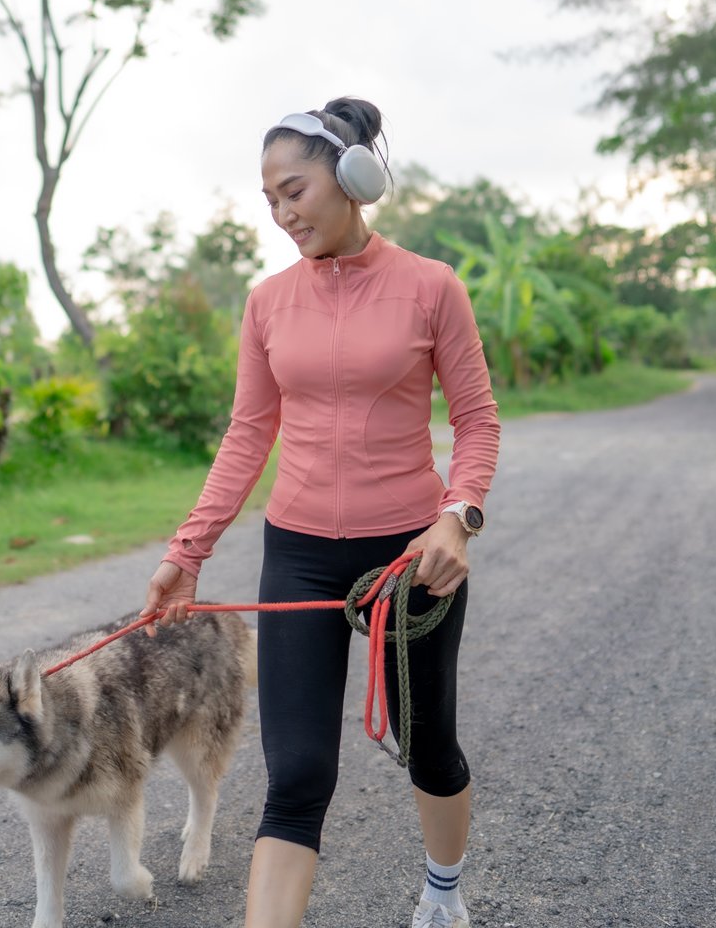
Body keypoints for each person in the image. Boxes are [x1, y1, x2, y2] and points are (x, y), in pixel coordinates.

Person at [143, 96, 501, 928]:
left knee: (428, 749)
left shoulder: (431, 288)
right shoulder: (268, 303)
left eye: (294, 189)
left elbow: (477, 420)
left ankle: (443, 895)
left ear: (353, 178)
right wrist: (187, 550)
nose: (281, 212)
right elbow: (248, 434)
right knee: (297, 776)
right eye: (268, 198)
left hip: (409, 561)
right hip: (298, 552)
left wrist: (458, 517)